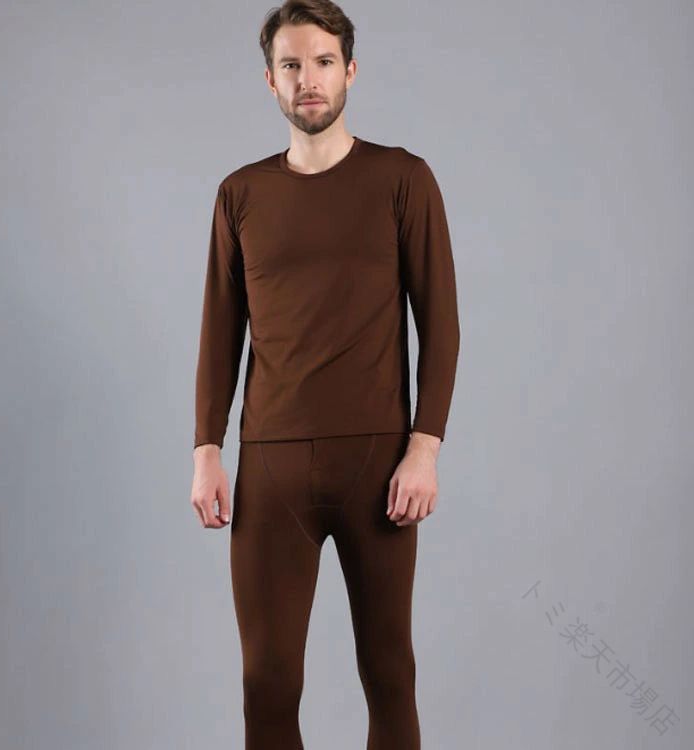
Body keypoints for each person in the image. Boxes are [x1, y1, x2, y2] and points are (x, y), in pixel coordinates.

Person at [190, 1, 460, 747]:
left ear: (350, 71)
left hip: (379, 465)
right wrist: (207, 449)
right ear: (270, 80)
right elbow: (220, 328)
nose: (307, 79)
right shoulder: (240, 194)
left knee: (389, 672)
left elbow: (441, 324)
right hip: (272, 465)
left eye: (322, 62)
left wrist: (425, 448)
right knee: (267, 681)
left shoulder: (403, 179)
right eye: (291, 65)